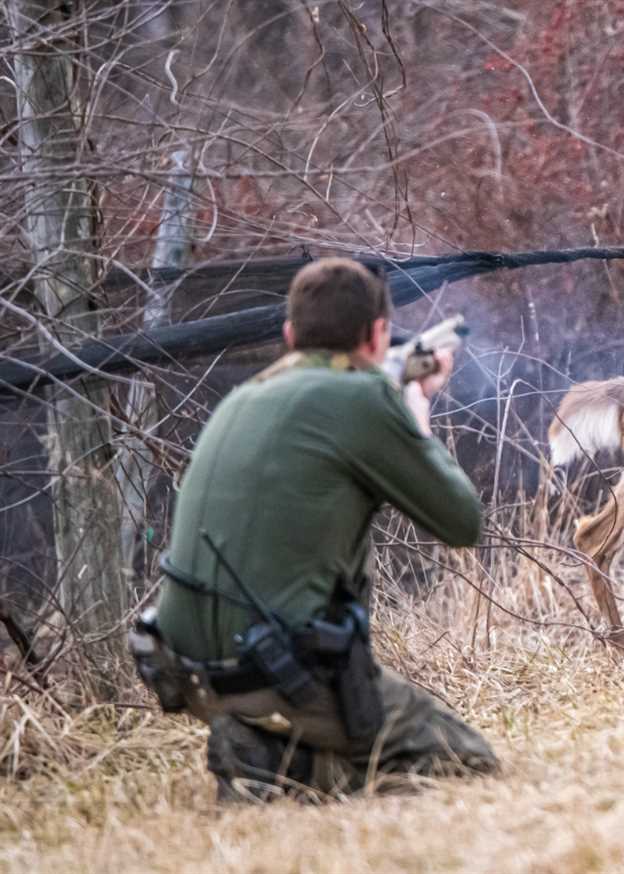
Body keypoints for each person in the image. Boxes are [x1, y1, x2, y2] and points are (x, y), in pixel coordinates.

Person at [129, 257, 498, 802]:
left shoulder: (245, 397)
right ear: (376, 334)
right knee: (465, 758)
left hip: (184, 669)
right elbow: (463, 523)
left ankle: (254, 739)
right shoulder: (362, 398)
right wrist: (416, 407)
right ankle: (276, 765)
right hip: (277, 671)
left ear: (288, 335)